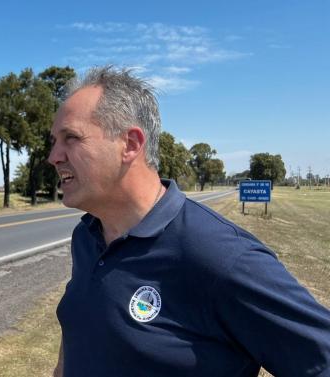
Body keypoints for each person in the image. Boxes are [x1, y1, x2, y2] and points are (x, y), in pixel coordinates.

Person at [49, 66, 330, 376]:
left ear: (129, 144)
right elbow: (80, 334)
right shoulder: (86, 237)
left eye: (71, 138)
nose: (53, 156)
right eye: (54, 141)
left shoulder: (220, 257)